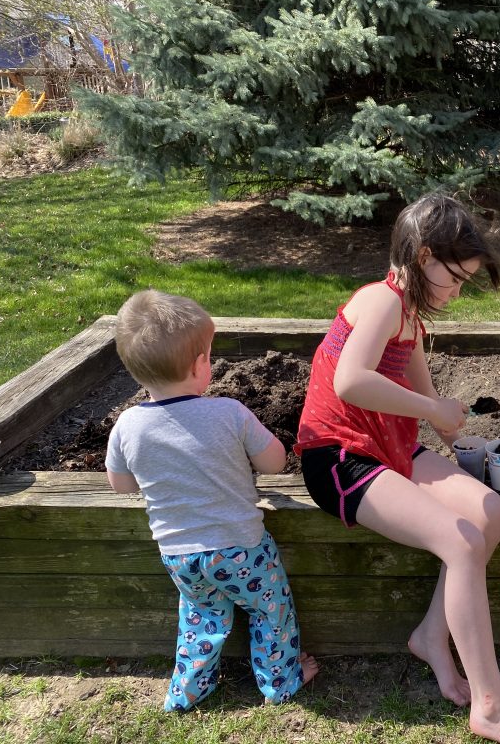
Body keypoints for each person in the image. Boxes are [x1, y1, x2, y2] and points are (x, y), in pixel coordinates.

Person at [296, 193, 500, 744]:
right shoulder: (380, 301)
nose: (457, 290)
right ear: (424, 257)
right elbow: (350, 380)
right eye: (456, 277)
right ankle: (491, 707)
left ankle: (429, 635)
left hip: (387, 446)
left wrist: (453, 428)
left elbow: (420, 385)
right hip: (338, 456)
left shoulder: (408, 310)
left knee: (488, 511)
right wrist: (429, 411)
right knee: (461, 540)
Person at [105, 289, 319, 712]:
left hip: (180, 556)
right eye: (209, 355)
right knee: (270, 613)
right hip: (241, 549)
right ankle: (282, 682)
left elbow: (120, 485)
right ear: (199, 365)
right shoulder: (229, 412)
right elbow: (274, 462)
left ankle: (187, 692)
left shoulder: (128, 426)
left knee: (200, 621)